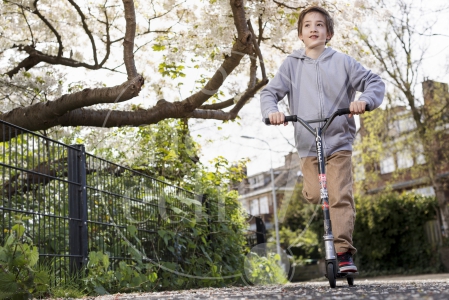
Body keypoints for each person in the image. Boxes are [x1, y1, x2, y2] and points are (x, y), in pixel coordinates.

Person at [260, 6, 385, 272]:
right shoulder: (291, 66)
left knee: (339, 194)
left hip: (339, 141)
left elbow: (374, 82)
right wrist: (273, 112)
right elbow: (269, 93)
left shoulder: (343, 62)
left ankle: (343, 253)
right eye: (307, 25)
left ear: (329, 32)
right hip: (307, 144)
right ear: (300, 34)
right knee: (317, 193)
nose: (313, 29)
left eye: (319, 25)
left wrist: (363, 100)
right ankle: (313, 192)